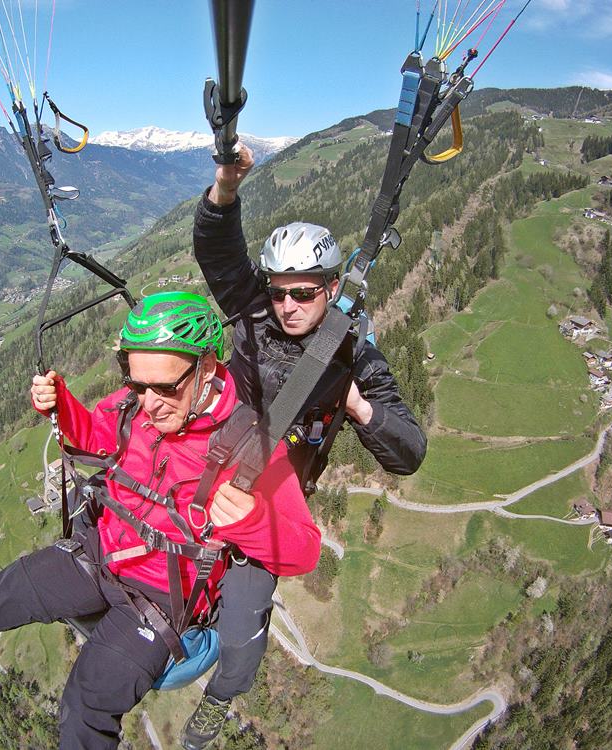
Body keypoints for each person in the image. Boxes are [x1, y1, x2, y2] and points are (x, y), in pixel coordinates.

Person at [0, 292, 320, 750]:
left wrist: (254, 521)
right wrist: (60, 404)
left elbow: (304, 550)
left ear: (208, 368)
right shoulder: (138, 406)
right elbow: (94, 434)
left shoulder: (251, 450)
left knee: (86, 705)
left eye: (165, 387)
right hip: (98, 555)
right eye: (137, 384)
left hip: (159, 601)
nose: (150, 403)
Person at [179, 144, 428, 749]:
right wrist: (226, 186)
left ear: (332, 288)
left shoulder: (353, 354)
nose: (288, 306)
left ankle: (219, 700)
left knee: (241, 636)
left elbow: (410, 450)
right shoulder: (252, 311)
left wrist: (356, 405)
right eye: (280, 290)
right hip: (207, 466)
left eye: (305, 293)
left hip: (270, 503)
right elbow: (218, 253)